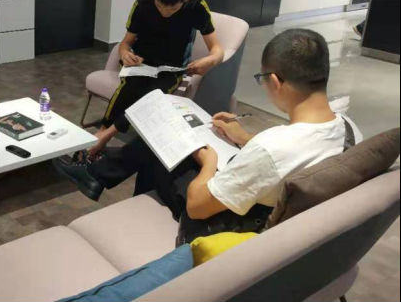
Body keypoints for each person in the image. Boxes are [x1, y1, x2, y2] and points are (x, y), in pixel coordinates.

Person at [54, 29, 361, 230]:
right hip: (265, 202)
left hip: (228, 220)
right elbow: (290, 157)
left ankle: (100, 177)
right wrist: (243, 137)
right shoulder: (350, 131)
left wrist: (208, 163)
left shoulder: (271, 147)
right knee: (164, 142)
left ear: (275, 82)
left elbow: (198, 207)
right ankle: (101, 176)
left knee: (161, 145)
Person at [70, 0, 224, 162]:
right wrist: (124, 53)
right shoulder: (142, 4)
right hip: (140, 63)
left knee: (151, 96)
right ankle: (102, 132)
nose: (164, 13)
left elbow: (217, 50)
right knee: (129, 88)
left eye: (172, 9)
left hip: (172, 69)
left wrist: (210, 61)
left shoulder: (197, 6)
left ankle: (104, 136)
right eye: (159, 6)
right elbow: (126, 43)